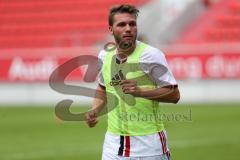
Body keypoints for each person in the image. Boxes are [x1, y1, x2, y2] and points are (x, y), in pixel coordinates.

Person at [85, 4, 180, 160]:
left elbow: (174, 94)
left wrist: (141, 92)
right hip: (113, 145)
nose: (128, 28)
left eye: (132, 24)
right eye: (122, 24)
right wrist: (95, 109)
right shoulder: (104, 56)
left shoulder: (152, 55)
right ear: (111, 29)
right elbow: (102, 87)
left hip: (149, 146)